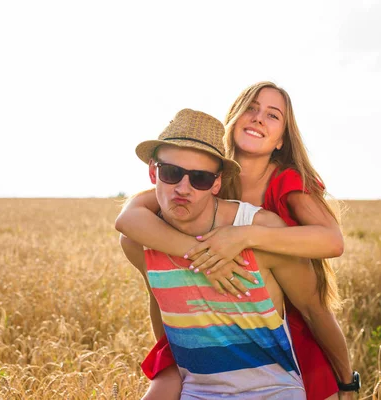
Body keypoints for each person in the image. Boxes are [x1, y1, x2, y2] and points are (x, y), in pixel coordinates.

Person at [115, 82, 360, 399]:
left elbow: (332, 242)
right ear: (232, 119)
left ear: (281, 140)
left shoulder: (286, 181)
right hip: (205, 319)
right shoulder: (196, 171)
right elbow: (129, 219)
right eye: (251, 108)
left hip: (283, 311)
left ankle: (346, 380)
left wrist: (244, 235)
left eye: (272, 115)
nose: (258, 118)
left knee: (313, 353)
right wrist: (201, 257)